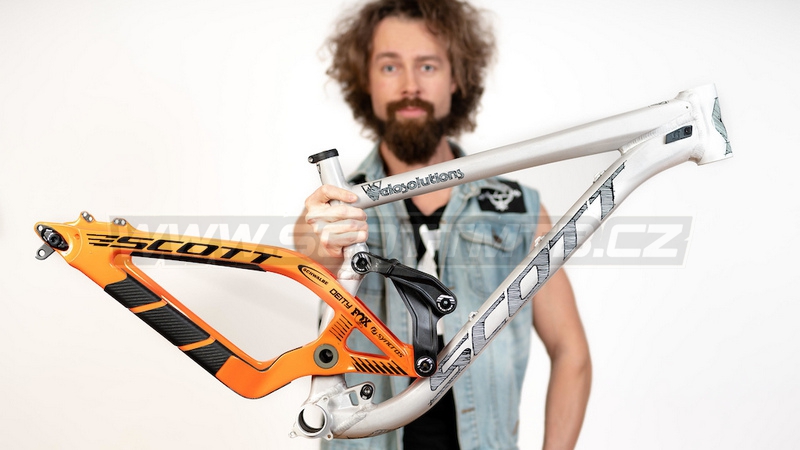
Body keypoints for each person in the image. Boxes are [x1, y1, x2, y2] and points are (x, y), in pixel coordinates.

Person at [296, 1, 591, 448]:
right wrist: (320, 234)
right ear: (366, 80)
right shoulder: (336, 207)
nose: (410, 85)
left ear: (456, 77)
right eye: (390, 66)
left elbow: (571, 352)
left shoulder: (516, 209)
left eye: (428, 65)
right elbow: (308, 249)